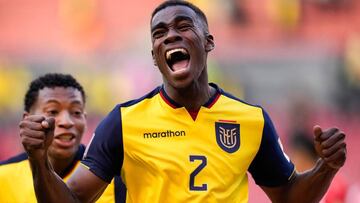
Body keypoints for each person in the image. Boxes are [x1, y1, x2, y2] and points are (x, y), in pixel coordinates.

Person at [21, 1, 347, 202]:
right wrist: (38, 161)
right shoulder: (125, 121)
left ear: (208, 42)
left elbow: (289, 197)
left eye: (182, 26)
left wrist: (327, 168)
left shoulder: (250, 120)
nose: (170, 36)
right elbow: (72, 199)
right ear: (154, 56)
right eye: (159, 33)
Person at [0, 73, 124, 202]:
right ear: (27, 119)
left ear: (85, 120)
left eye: (76, 112)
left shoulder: (113, 179)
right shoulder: (3, 176)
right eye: (52, 111)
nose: (66, 121)